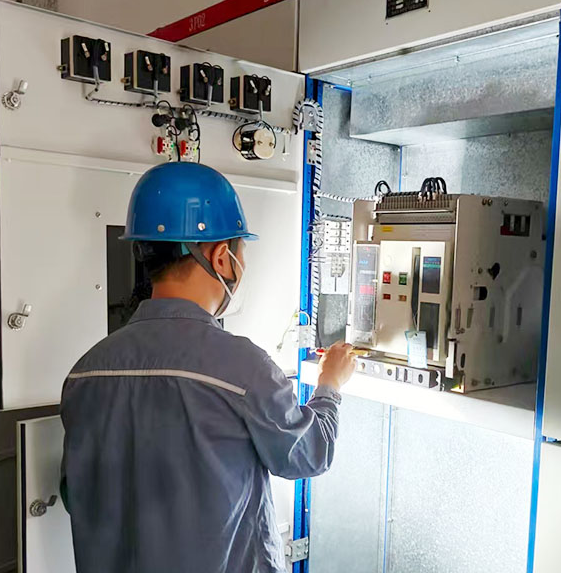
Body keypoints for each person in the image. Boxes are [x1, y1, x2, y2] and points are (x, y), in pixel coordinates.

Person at [60, 162, 356, 573]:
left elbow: (76, 495)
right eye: (240, 251)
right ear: (221, 257)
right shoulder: (243, 368)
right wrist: (330, 386)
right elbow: (306, 456)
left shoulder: (84, 373)